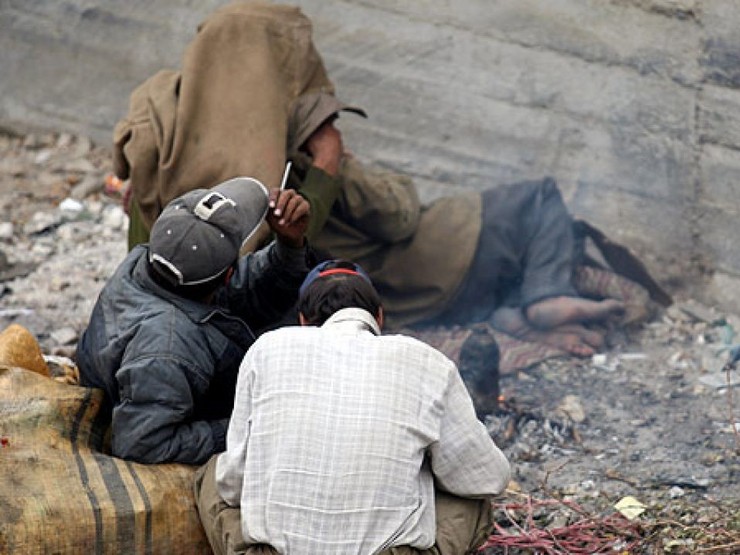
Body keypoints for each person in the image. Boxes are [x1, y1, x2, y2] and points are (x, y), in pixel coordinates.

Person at [193, 259, 511, 555]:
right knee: (474, 502)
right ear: (380, 317)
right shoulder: (427, 361)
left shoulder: (267, 349)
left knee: (213, 474)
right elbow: (487, 479)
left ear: (304, 321)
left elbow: (233, 485)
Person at [76, 177, 314, 465]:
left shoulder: (150, 263)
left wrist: (290, 246)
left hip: (164, 378)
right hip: (158, 405)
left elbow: (243, 287)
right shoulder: (166, 349)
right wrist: (244, 427)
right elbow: (141, 443)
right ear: (226, 276)